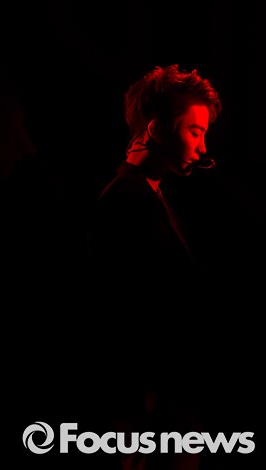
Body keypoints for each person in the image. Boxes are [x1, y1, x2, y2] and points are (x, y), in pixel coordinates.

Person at [86, 64, 222, 470]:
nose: (202, 148)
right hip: (146, 405)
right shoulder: (124, 203)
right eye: (194, 132)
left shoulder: (148, 196)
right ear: (157, 129)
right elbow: (119, 311)